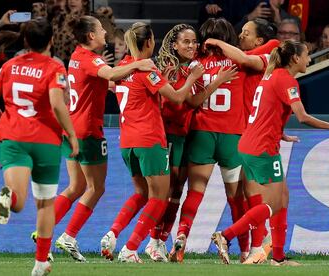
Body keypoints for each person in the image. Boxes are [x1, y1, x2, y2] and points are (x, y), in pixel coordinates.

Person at [211, 40, 329, 266]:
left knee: (282, 198)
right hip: (261, 148)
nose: (309, 59)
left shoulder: (271, 75)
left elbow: (266, 110)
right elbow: (303, 116)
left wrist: (280, 132)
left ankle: (278, 257)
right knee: (274, 204)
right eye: (307, 55)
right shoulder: (286, 80)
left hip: (256, 143)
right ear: (295, 58)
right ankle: (226, 236)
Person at [35, 15, 157, 262]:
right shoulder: (92, 59)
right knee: (96, 188)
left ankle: (43, 231)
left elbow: (101, 83)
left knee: (76, 187)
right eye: (101, 30)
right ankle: (69, 235)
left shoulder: (77, 58)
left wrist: (120, 82)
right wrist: (136, 66)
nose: (105, 33)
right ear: (91, 35)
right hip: (88, 133)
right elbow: (110, 74)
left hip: (70, 130)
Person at [99, 22, 207, 263]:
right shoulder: (148, 69)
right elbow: (179, 98)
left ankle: (113, 233)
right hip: (150, 140)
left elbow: (146, 100)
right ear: (148, 43)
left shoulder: (123, 68)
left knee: (141, 193)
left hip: (127, 142)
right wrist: (192, 77)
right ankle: (131, 248)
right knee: (159, 198)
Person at [0, 17, 79, 276]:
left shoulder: (8, 66)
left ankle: (8, 195)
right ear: (51, 41)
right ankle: (40, 264)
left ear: (25, 40)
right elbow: (57, 104)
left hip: (13, 138)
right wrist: (71, 135)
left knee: (18, 201)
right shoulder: (55, 68)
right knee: (45, 204)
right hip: (45, 141)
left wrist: (6, 123)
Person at [169, 18, 266, 263]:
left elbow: (190, 100)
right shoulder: (239, 61)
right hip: (232, 136)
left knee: (194, 192)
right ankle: (245, 251)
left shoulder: (196, 64)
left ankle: (181, 236)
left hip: (202, 133)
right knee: (236, 199)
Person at [145, 24, 237, 262]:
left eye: (195, 42)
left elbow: (194, 100)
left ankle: (164, 239)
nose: (192, 46)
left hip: (187, 136)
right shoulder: (173, 69)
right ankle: (152, 241)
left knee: (176, 192)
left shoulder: (193, 65)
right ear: (174, 45)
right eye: (186, 42)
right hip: (169, 135)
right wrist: (212, 80)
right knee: (166, 191)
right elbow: (178, 102)